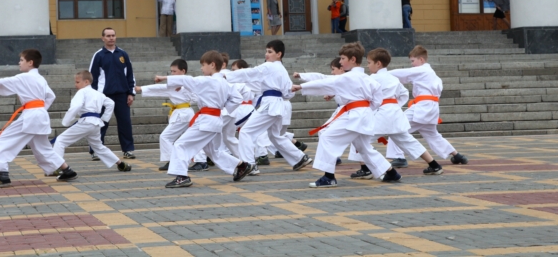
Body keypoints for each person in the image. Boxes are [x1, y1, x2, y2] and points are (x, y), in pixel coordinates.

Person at [292, 43, 402, 188]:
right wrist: (366, 109)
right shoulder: (368, 78)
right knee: (363, 148)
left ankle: (328, 177)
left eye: (343, 58)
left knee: (327, 135)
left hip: (355, 115)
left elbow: (326, 82)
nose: (341, 61)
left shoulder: (348, 77)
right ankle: (391, 172)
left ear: (352, 59)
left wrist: (301, 87)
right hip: (363, 114)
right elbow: (377, 100)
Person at [0, 49, 78, 188]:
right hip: (40, 114)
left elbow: (4, 81)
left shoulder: (24, 77)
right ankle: (67, 170)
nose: (19, 62)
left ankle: (3, 176)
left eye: (22, 60)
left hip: (31, 115)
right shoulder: (41, 79)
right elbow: (51, 96)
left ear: (30, 62)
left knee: (2, 140)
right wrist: (40, 108)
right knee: (43, 147)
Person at [156, 51, 253, 188]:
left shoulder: (207, 80)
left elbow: (187, 79)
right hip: (216, 119)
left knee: (181, 144)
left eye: (203, 65)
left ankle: (182, 176)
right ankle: (242, 165)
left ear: (212, 65)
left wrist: (164, 77)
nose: (201, 68)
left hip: (206, 120)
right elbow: (237, 98)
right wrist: (224, 107)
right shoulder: (225, 83)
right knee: (213, 151)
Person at [348, 48, 443, 178]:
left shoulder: (372, 78)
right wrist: (394, 105)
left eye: (369, 62)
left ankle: (366, 168)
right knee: (408, 141)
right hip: (395, 114)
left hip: (381, 115)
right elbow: (404, 94)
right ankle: (434, 165)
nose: (367, 65)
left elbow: (363, 94)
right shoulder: (392, 78)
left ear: (378, 64)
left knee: (360, 139)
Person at [226, 40, 313, 175]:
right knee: (275, 136)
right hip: (278, 104)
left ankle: (250, 164)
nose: (267, 54)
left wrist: (227, 75)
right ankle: (300, 158)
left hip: (270, 104)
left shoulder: (269, 66)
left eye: (270, 52)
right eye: (266, 51)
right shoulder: (282, 69)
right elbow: (288, 93)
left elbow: (250, 73)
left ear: (279, 54)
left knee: (246, 132)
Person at [386, 45, 469, 168]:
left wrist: (382, 74)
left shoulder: (422, 70)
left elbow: (405, 73)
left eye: (413, 61)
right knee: (432, 134)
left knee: (397, 126)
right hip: (431, 107)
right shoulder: (432, 75)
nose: (412, 64)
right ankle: (456, 155)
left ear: (421, 60)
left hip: (423, 106)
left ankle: (399, 157)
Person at [52, 71, 132, 174]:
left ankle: (58, 168)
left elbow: (76, 106)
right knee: (98, 147)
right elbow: (111, 103)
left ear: (86, 82)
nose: (75, 85)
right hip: (96, 123)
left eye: (77, 82)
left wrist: (66, 122)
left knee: (60, 141)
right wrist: (104, 119)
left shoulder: (82, 92)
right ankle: (121, 164)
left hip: (86, 122)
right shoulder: (99, 94)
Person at [135, 59, 206, 171]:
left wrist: (141, 89)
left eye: (174, 71)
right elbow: (160, 88)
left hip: (183, 114)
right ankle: (201, 161)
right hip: (185, 113)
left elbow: (196, 94)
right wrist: (142, 89)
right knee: (191, 137)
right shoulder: (177, 85)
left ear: (183, 71)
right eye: (171, 72)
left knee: (165, 137)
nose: (172, 74)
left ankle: (176, 161)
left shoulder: (188, 83)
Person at [89, 27, 136, 160]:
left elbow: (130, 75)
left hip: (122, 95)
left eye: (113, 35)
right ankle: (95, 150)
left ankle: (127, 150)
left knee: (125, 123)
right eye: (108, 36)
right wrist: (95, 96)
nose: (111, 38)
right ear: (103, 38)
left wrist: (131, 93)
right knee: (101, 123)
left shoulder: (123, 54)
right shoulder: (99, 55)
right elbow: (93, 78)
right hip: (104, 96)